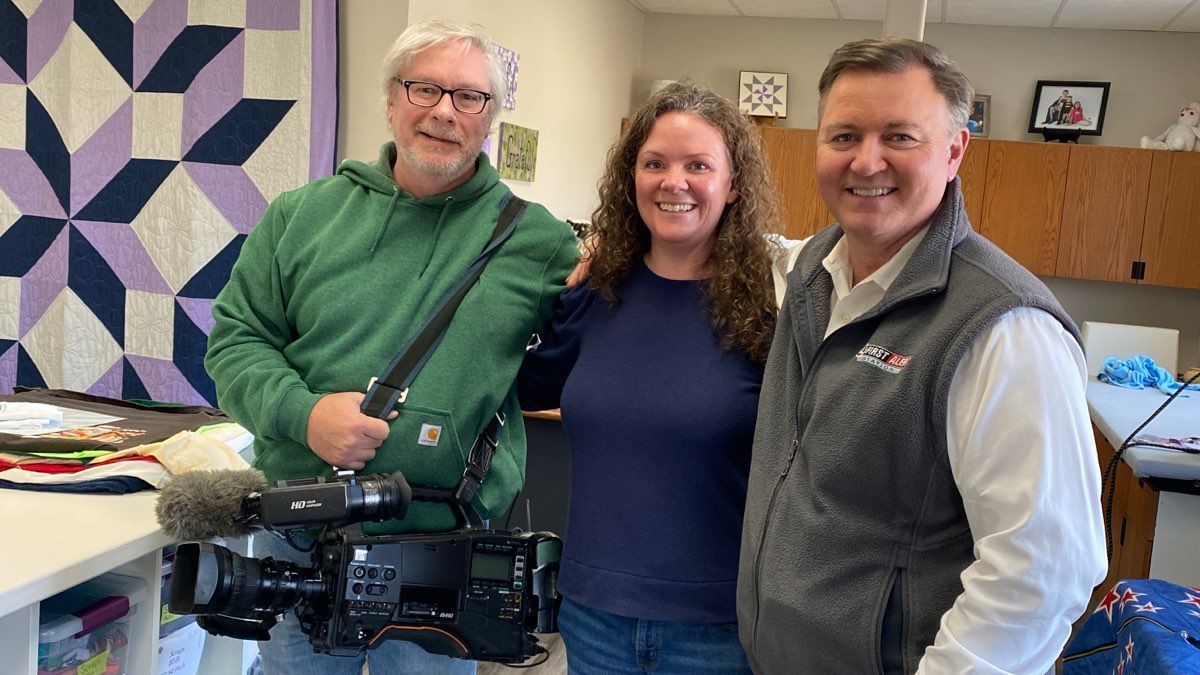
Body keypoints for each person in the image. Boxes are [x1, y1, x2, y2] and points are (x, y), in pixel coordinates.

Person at [205, 19, 578, 675]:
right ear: (391, 98)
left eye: (469, 97)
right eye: (424, 88)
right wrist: (306, 414)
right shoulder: (301, 215)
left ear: (490, 116)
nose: (443, 111)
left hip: (445, 552)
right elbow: (236, 341)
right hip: (302, 537)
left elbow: (588, 341)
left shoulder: (538, 242)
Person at [736, 37, 1107, 674]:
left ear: (955, 150)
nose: (866, 161)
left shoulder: (1005, 331)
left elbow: (1041, 574)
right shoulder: (814, 273)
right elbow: (740, 244)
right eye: (844, 135)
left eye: (900, 137)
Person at [518, 81, 783, 675]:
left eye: (699, 165)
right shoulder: (594, 291)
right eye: (654, 163)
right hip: (591, 618)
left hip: (720, 629)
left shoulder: (770, 307)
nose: (674, 181)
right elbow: (529, 388)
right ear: (630, 176)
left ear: (733, 184)